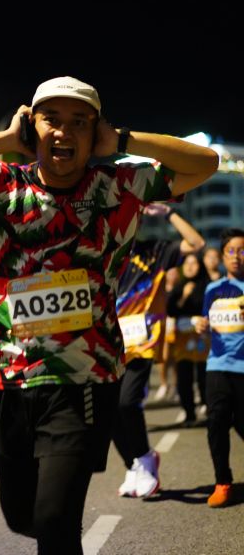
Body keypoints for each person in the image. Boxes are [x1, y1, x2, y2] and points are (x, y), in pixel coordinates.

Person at [0, 76, 218, 554]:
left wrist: (124, 142)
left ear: (95, 133)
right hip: (7, 377)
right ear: (32, 127)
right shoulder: (2, 183)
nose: (64, 132)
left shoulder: (119, 186)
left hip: (85, 379)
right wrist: (4, 140)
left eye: (80, 122)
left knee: (55, 519)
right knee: (23, 517)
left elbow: (205, 163)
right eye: (50, 119)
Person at [115, 203, 205, 498]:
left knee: (127, 402)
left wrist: (168, 213)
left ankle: (144, 458)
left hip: (140, 342)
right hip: (108, 343)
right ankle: (134, 465)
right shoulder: (105, 252)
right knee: (109, 411)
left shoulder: (157, 250)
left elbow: (196, 243)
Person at [195, 228, 244, 508]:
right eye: (231, 251)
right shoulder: (212, 290)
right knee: (216, 422)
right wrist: (202, 327)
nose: (236, 257)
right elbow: (206, 325)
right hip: (217, 365)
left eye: (242, 251)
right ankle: (223, 482)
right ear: (224, 256)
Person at [166, 253, 211, 426]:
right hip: (183, 340)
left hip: (203, 339)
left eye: (194, 263)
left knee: (204, 376)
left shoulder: (207, 286)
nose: (190, 267)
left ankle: (208, 408)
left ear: (200, 266)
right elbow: (171, 310)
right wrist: (184, 296)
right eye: (187, 263)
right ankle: (189, 413)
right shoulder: (179, 287)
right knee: (184, 378)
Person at [154, 266, 181, 402]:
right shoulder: (159, 289)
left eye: (174, 273)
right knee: (163, 357)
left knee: (174, 358)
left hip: (177, 324)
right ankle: (164, 384)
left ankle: (175, 386)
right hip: (163, 323)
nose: (172, 276)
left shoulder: (181, 289)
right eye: (170, 273)